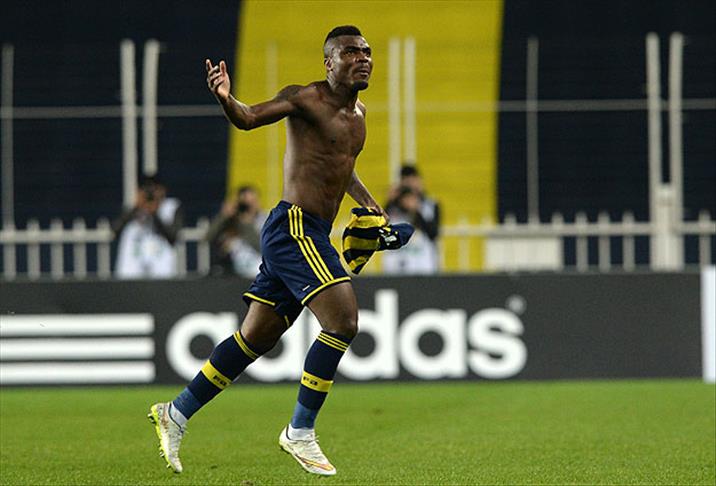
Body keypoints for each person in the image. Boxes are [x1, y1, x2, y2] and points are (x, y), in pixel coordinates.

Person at [148, 26, 384, 476]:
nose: (363, 58)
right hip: (294, 226)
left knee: (256, 338)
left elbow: (343, 167)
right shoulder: (306, 98)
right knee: (343, 321)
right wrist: (226, 98)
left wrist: (371, 205)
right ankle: (300, 430)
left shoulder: (359, 115)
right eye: (351, 52)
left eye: (367, 51)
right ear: (329, 63)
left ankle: (175, 413)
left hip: (312, 231)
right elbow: (249, 117)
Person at [113, 175, 183, 279]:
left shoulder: (171, 208)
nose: (150, 194)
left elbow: (173, 237)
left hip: (161, 272)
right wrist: (136, 207)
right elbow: (115, 230)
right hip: (132, 274)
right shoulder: (132, 209)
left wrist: (154, 213)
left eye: (155, 190)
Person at [383, 165, 441, 274]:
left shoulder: (430, 205)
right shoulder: (392, 208)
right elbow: (380, 227)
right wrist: (389, 202)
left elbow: (433, 234)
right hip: (395, 268)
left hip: (424, 268)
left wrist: (416, 210)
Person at [206, 184, 265, 277]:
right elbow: (207, 238)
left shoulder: (266, 220)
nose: (248, 207)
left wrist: (247, 224)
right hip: (230, 272)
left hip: (258, 269)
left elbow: (263, 248)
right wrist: (223, 217)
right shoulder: (230, 221)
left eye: (251, 202)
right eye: (244, 204)